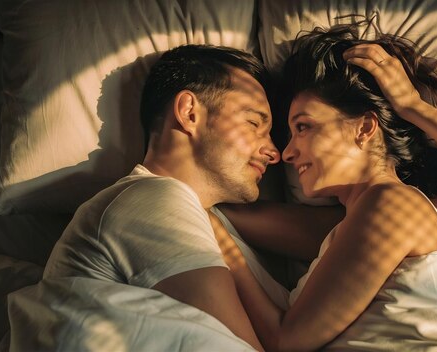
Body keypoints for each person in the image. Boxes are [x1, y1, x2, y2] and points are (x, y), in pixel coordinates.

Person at [209, 24, 437, 351]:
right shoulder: (348, 228)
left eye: (303, 127)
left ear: (364, 128)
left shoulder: (393, 208)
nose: (287, 152)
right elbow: (231, 214)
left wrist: (413, 107)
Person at [42, 45, 282, 351]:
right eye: (253, 123)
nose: (274, 152)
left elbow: (344, 227)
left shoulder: (211, 217)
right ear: (190, 112)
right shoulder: (151, 199)